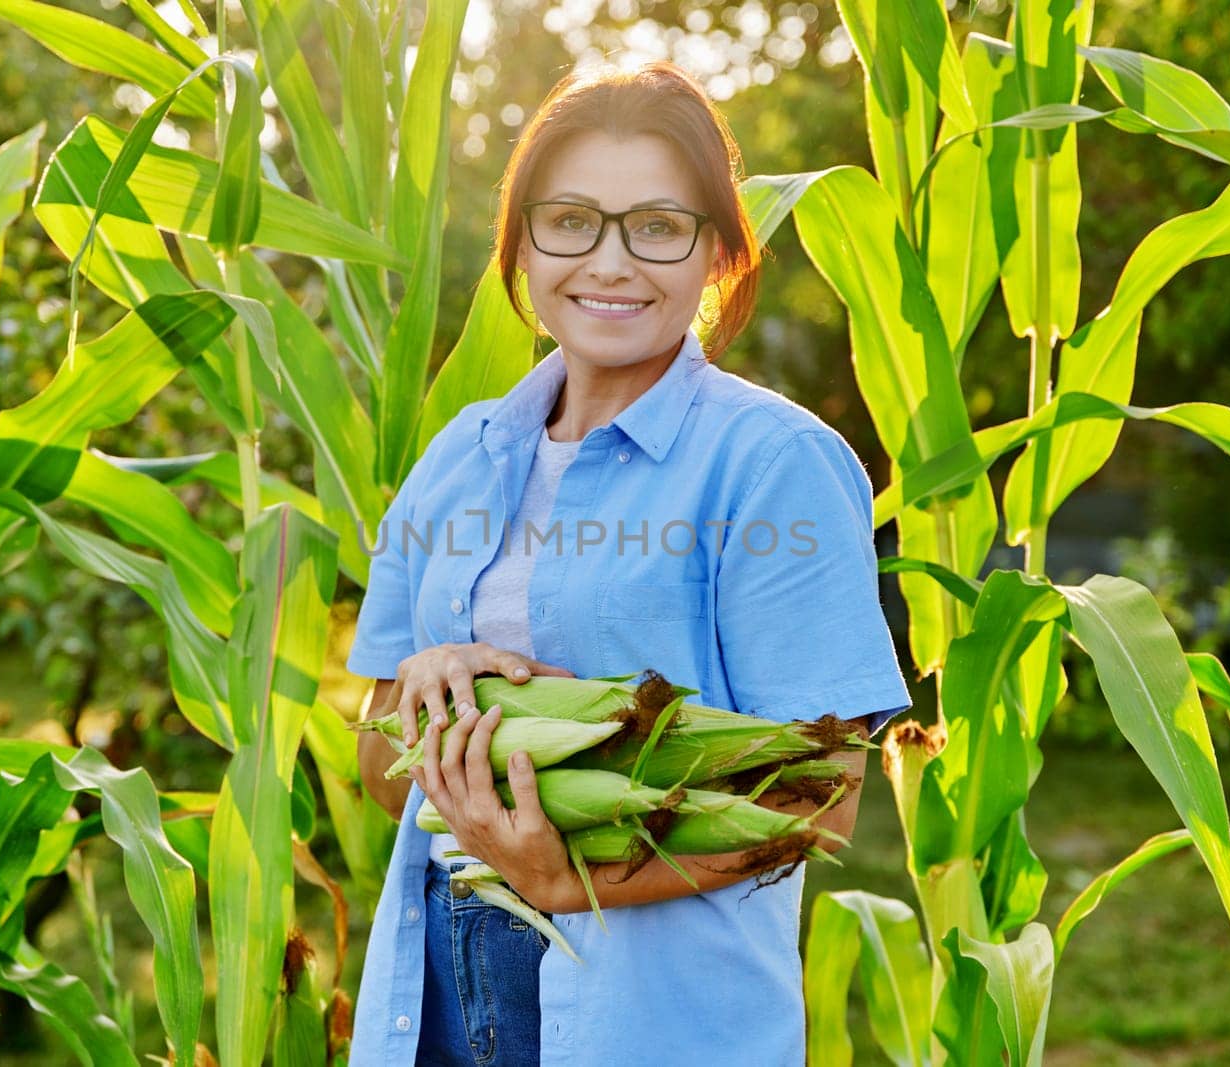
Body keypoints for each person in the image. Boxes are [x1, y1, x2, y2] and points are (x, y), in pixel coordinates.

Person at [347, 60, 911, 1066]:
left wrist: (572, 880)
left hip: (648, 1021)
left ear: (719, 255)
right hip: (430, 988)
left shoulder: (771, 463)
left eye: (656, 226)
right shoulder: (457, 455)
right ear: (520, 242)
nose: (608, 262)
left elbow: (820, 793)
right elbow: (380, 761)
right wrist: (431, 689)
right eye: (570, 220)